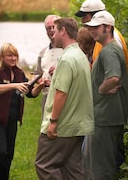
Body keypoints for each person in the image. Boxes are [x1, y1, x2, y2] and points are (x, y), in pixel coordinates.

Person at [34, 17, 94, 179]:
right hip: (78, 125)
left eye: (55, 30)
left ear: (63, 31)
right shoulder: (80, 55)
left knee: (44, 164)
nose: (52, 35)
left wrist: (53, 122)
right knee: (72, 168)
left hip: (63, 126)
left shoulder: (67, 59)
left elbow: (61, 92)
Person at [75, 0, 128, 169]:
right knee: (99, 161)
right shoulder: (105, 45)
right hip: (104, 113)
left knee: (103, 165)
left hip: (106, 114)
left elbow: (113, 76)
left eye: (93, 25)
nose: (87, 26)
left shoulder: (110, 48)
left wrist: (101, 89)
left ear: (107, 26)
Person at [0, 43, 35, 180]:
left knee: (8, 154)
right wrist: (14, 85)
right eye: (10, 55)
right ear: (2, 57)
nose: (13, 58)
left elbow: (31, 93)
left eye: (15, 55)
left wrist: (40, 84)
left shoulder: (19, 73)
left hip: (10, 119)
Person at [74, 0, 128, 68]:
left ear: (96, 15)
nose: (82, 21)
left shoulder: (113, 36)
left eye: (85, 17)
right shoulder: (101, 37)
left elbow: (113, 73)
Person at [31, 15, 64, 114]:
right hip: (46, 96)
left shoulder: (67, 49)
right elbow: (38, 73)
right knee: (45, 128)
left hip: (62, 96)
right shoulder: (43, 52)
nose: (51, 30)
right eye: (48, 28)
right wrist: (41, 81)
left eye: (54, 27)